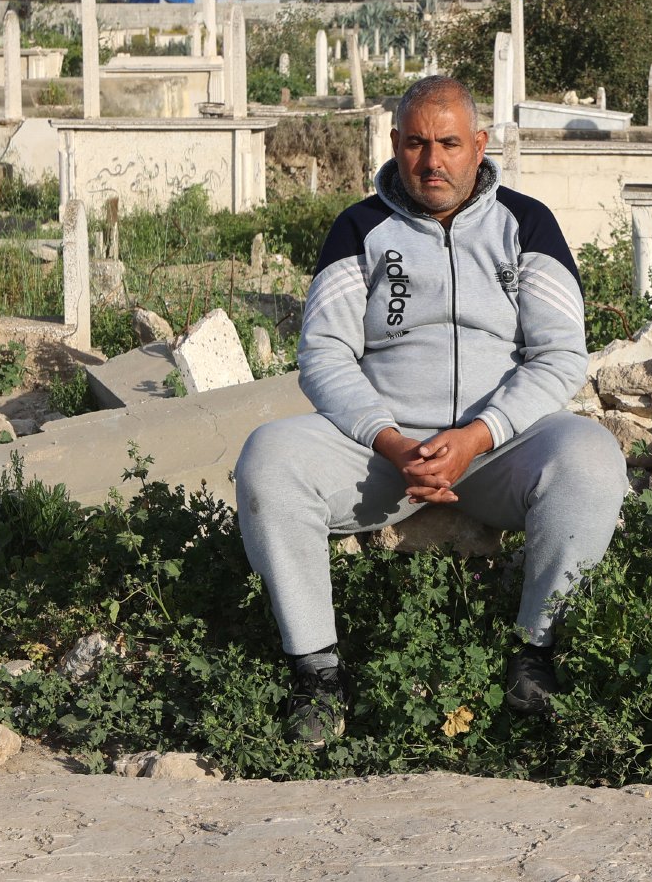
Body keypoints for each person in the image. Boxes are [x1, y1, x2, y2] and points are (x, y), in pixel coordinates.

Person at [235, 75, 628, 746]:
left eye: (449, 143)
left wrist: (478, 435)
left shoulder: (526, 224)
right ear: (394, 145)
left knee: (592, 459)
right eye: (416, 143)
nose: (432, 161)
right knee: (267, 458)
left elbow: (560, 355)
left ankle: (536, 657)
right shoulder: (358, 229)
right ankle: (318, 675)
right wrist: (389, 440)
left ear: (479, 145)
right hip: (383, 454)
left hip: (502, 450)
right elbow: (323, 356)